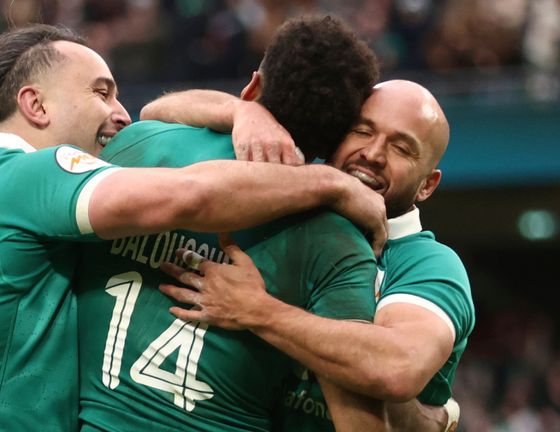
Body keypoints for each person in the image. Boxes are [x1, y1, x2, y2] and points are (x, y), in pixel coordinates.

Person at [0, 24, 388, 431]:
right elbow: (192, 197)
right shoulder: (30, 176)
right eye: (101, 93)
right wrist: (331, 183)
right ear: (35, 106)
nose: (121, 114)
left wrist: (242, 110)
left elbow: (156, 118)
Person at [73, 15, 389, 431]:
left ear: (254, 86)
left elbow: (154, 110)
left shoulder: (138, 141)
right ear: (339, 137)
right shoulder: (341, 242)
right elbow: (358, 420)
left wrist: (238, 109)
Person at [159, 80, 476, 431]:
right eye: (361, 131)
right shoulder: (287, 203)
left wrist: (257, 310)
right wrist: (242, 112)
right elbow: (157, 111)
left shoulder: (427, 265)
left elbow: (397, 367)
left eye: (401, 148)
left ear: (427, 185)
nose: (373, 154)